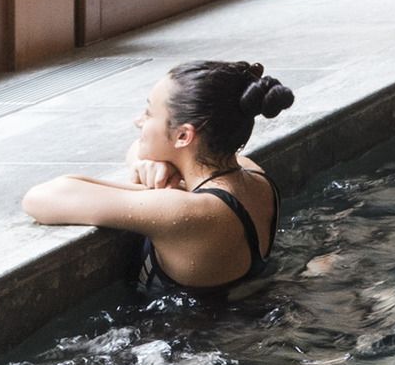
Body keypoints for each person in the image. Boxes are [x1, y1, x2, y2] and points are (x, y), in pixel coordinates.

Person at [21, 58, 293, 308]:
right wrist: (147, 164)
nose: (138, 120)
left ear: (184, 136)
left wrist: (147, 184)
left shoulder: (186, 211)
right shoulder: (253, 174)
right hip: (248, 322)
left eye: (149, 113)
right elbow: (138, 150)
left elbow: (40, 198)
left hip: (186, 350)